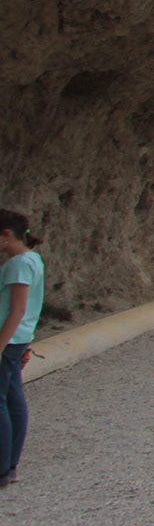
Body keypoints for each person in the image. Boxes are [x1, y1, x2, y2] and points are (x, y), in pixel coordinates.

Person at [0, 209, 44, 487]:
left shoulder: (18, 264)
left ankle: (2, 466)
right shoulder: (32, 259)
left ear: (6, 235)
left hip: (8, 339)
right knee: (13, 398)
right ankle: (10, 464)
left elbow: (16, 309)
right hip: (19, 338)